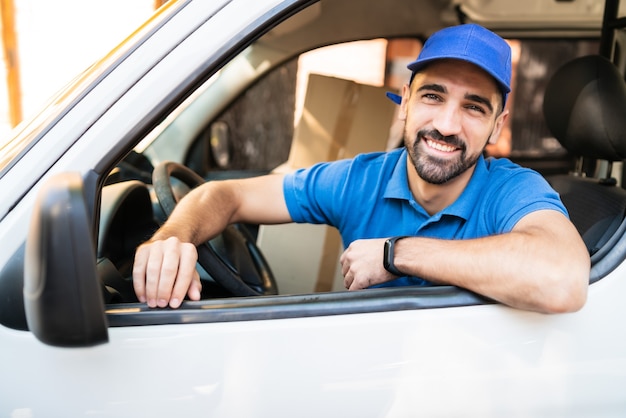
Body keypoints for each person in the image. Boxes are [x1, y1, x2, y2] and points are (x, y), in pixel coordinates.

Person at [132, 23, 590, 314]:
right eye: (432, 96)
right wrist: (172, 239)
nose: (447, 125)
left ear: (497, 125)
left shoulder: (511, 190)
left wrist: (396, 253)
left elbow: (563, 279)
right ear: (405, 102)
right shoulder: (359, 180)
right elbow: (226, 195)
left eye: (474, 107)